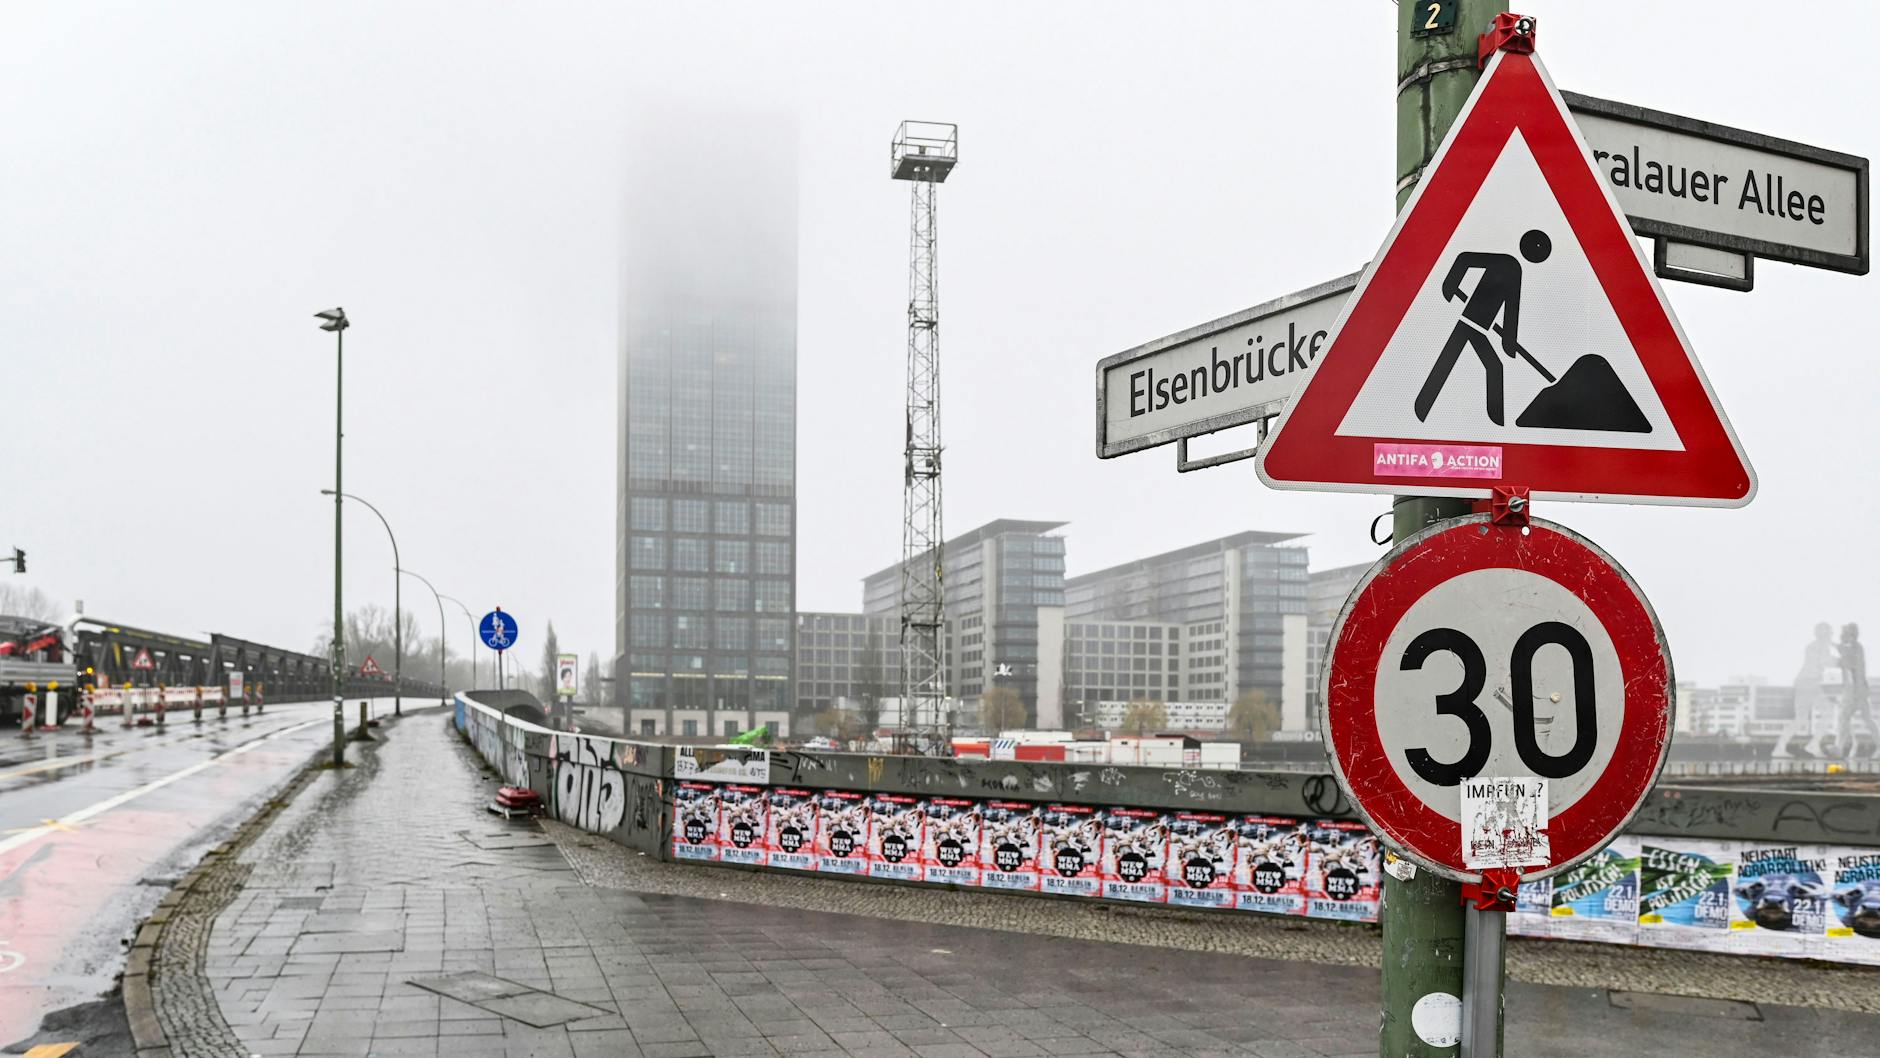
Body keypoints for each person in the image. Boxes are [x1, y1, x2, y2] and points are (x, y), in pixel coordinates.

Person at [1414, 229, 1552, 425]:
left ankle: (1423, 406)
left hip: (1477, 327)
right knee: (1484, 365)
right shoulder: (1508, 264)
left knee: (1464, 363)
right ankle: (1495, 422)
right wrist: (1450, 284)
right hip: (1470, 323)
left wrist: (1508, 342)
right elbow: (1465, 259)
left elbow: (1511, 309)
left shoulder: (1513, 268)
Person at [1774, 622, 1834, 759]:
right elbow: (1826, 661)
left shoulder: (1813, 645)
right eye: (1830, 632)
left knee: (1800, 718)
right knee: (1828, 712)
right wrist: (1844, 661)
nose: (1831, 635)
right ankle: (1814, 744)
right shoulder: (1821, 645)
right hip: (1810, 683)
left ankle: (1779, 748)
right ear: (1824, 633)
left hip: (1803, 683)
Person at [1836, 624, 1874, 759]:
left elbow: (1850, 664)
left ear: (1852, 635)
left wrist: (1835, 645)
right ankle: (1841, 747)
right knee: (1844, 718)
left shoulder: (1856, 648)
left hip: (1858, 691)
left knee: (1864, 719)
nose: (1844, 637)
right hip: (1854, 690)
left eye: (1846, 634)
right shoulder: (1852, 648)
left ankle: (1841, 747)